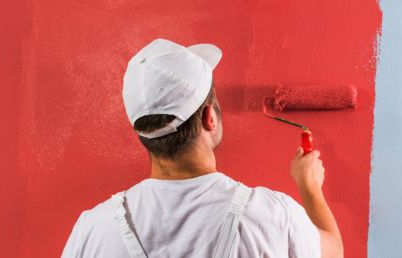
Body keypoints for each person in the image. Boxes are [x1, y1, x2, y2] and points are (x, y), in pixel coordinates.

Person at [61, 38, 343, 258]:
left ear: (141, 132)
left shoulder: (93, 230)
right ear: (210, 117)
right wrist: (309, 186)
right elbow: (333, 252)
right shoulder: (270, 216)